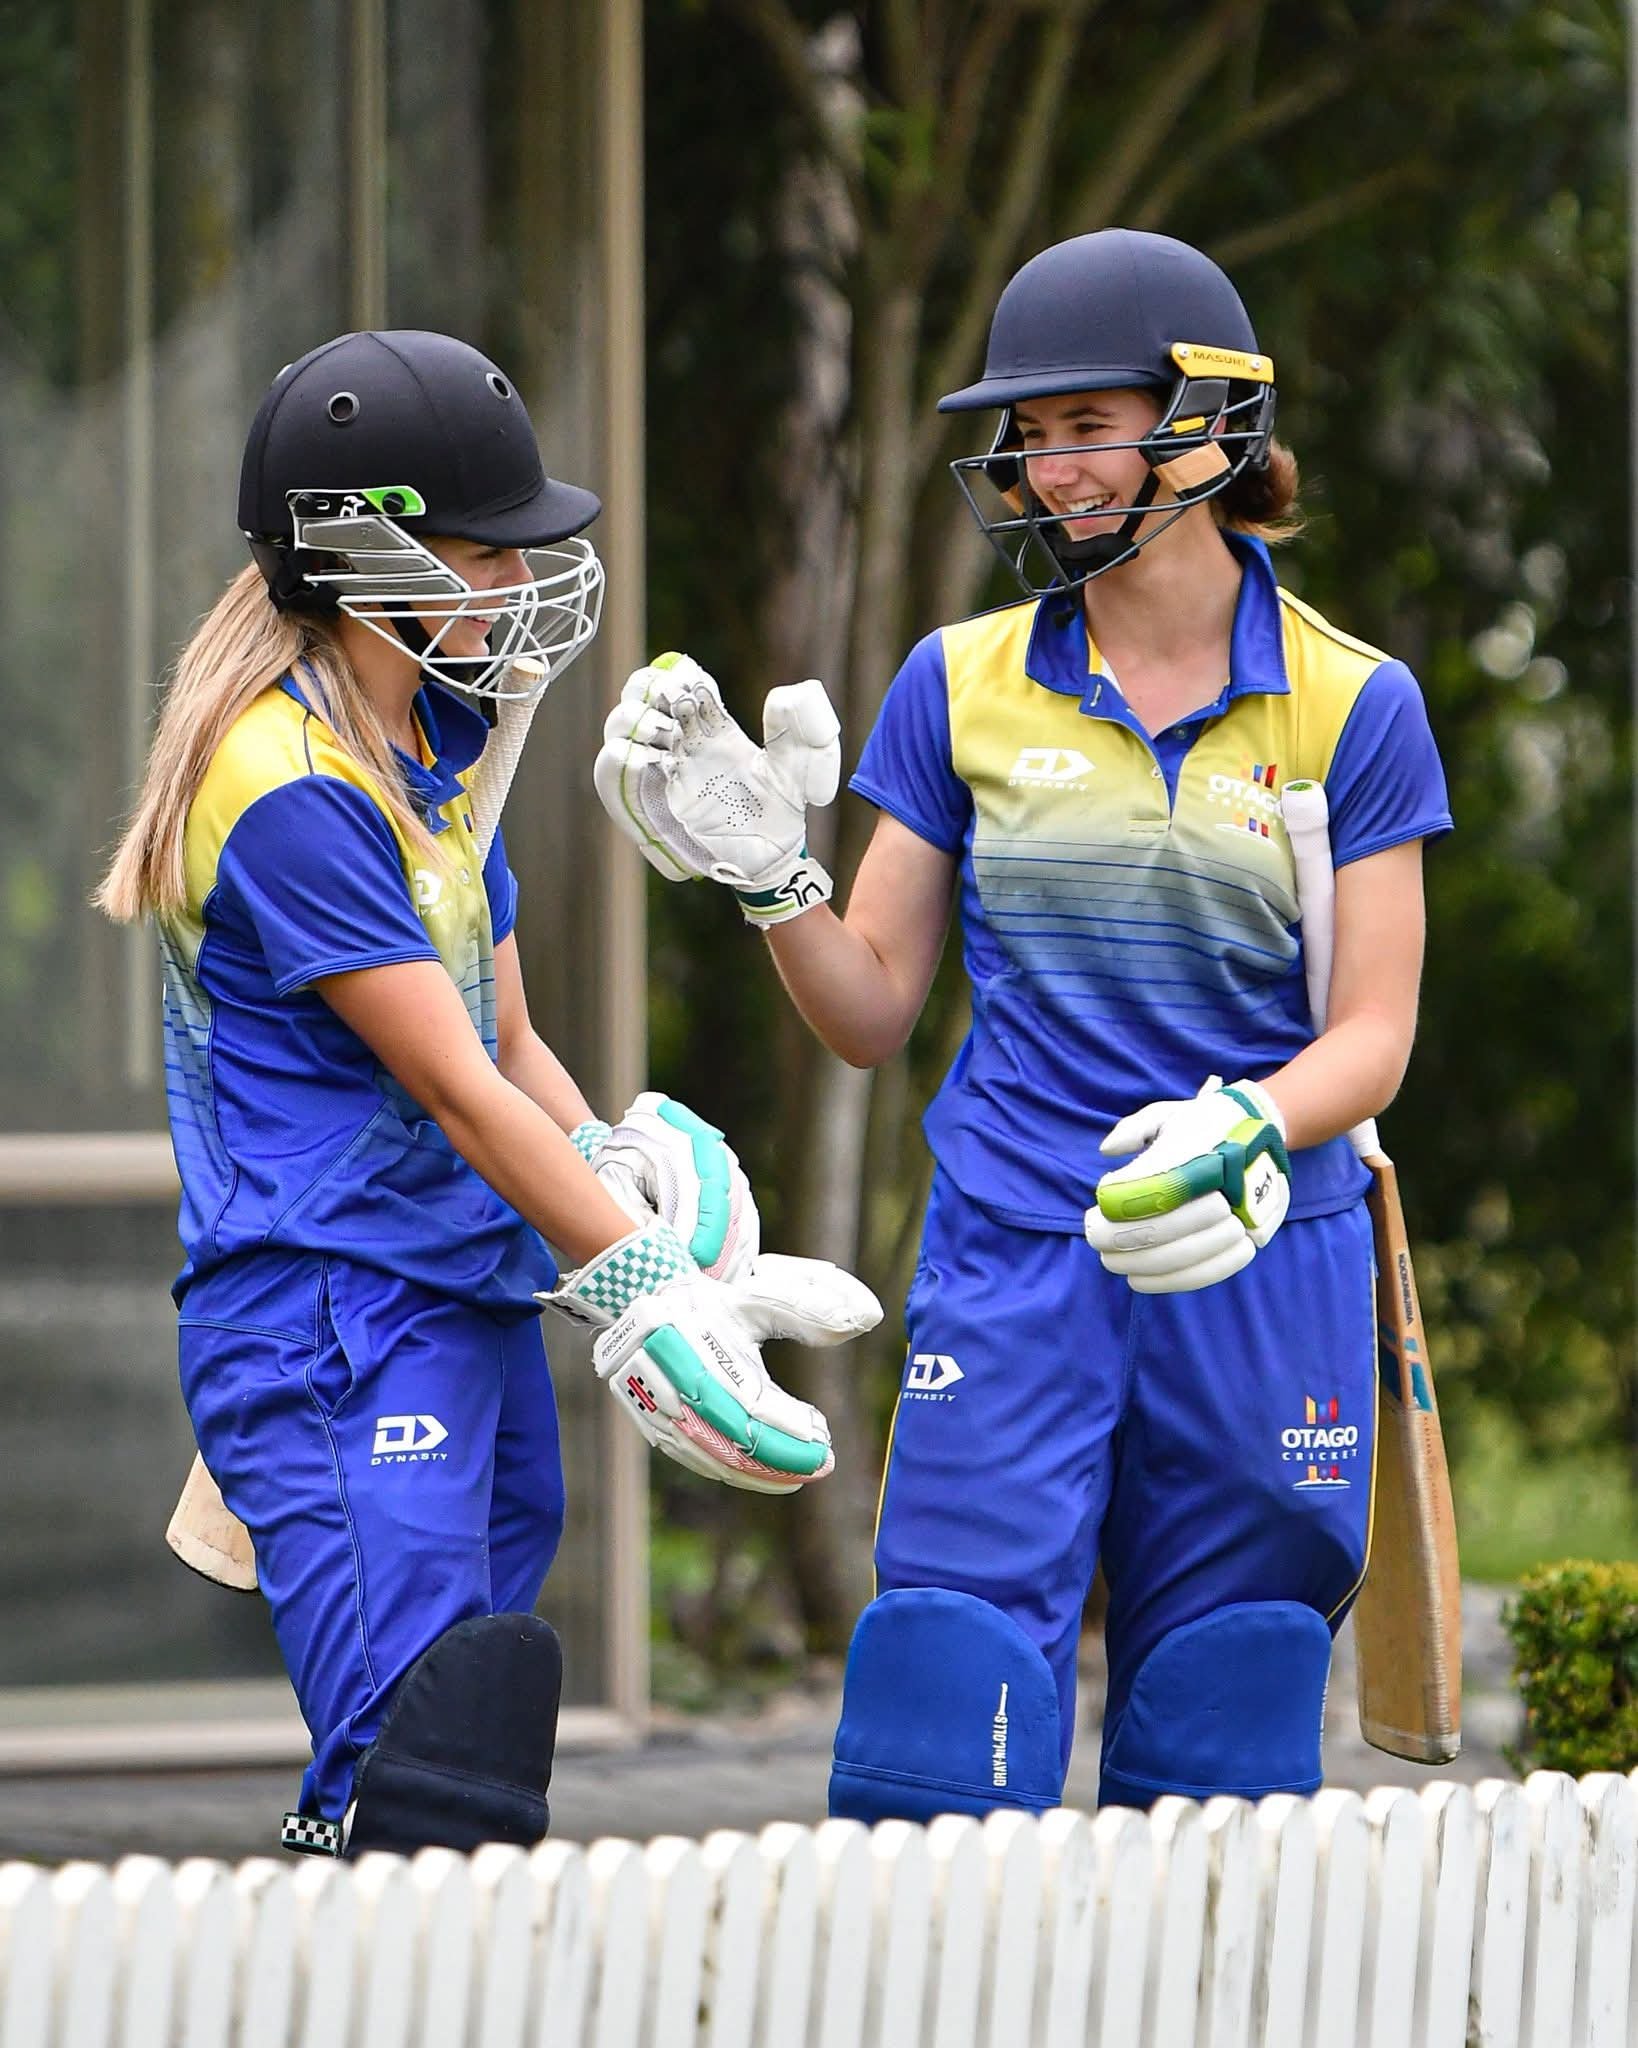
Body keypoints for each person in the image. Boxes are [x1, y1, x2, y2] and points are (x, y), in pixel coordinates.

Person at [593, 230, 1452, 1818]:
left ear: (1208, 422)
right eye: (1029, 434)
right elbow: (866, 1011)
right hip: (1013, 1252)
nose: (1046, 469)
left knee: (1224, 1722)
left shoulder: (1352, 702)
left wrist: (1245, 1122)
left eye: (1083, 425)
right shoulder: (958, 680)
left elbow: (1370, 1035)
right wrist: (770, 874)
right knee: (942, 1703)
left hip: (1256, 1249)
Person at [96, 329, 877, 1858]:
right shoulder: (289, 786)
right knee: (406, 1778)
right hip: (330, 1322)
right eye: (485, 551)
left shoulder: (434, 741)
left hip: (465, 1296)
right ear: (363, 550)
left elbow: (509, 1041)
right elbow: (450, 1089)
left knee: (480, 1750)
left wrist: (613, 1176)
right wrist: (639, 1284)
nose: (523, 585)